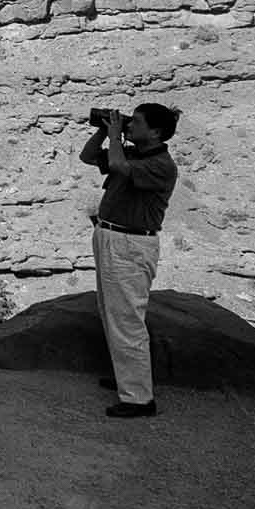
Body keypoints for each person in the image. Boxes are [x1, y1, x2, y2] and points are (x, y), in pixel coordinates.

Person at [80, 102, 180, 418]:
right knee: (112, 312)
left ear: (156, 131)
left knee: (126, 319)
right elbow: (87, 156)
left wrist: (114, 135)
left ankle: (139, 398)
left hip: (131, 244)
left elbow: (119, 167)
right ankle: (128, 377)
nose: (129, 126)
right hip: (113, 236)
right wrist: (103, 132)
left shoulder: (162, 164)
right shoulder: (133, 153)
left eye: (135, 122)